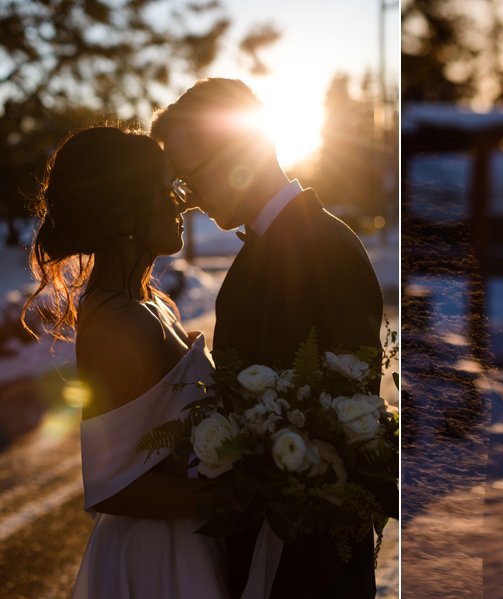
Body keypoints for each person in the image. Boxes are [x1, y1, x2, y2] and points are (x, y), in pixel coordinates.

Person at [151, 78, 392, 598]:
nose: (189, 201)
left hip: (307, 556)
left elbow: (346, 414)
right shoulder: (272, 243)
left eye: (192, 178)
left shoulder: (323, 246)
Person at [24, 126, 227, 598]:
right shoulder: (117, 322)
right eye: (164, 189)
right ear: (123, 209)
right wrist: (241, 495)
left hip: (186, 540)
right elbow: (111, 486)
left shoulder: (147, 304)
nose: (181, 203)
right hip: (159, 562)